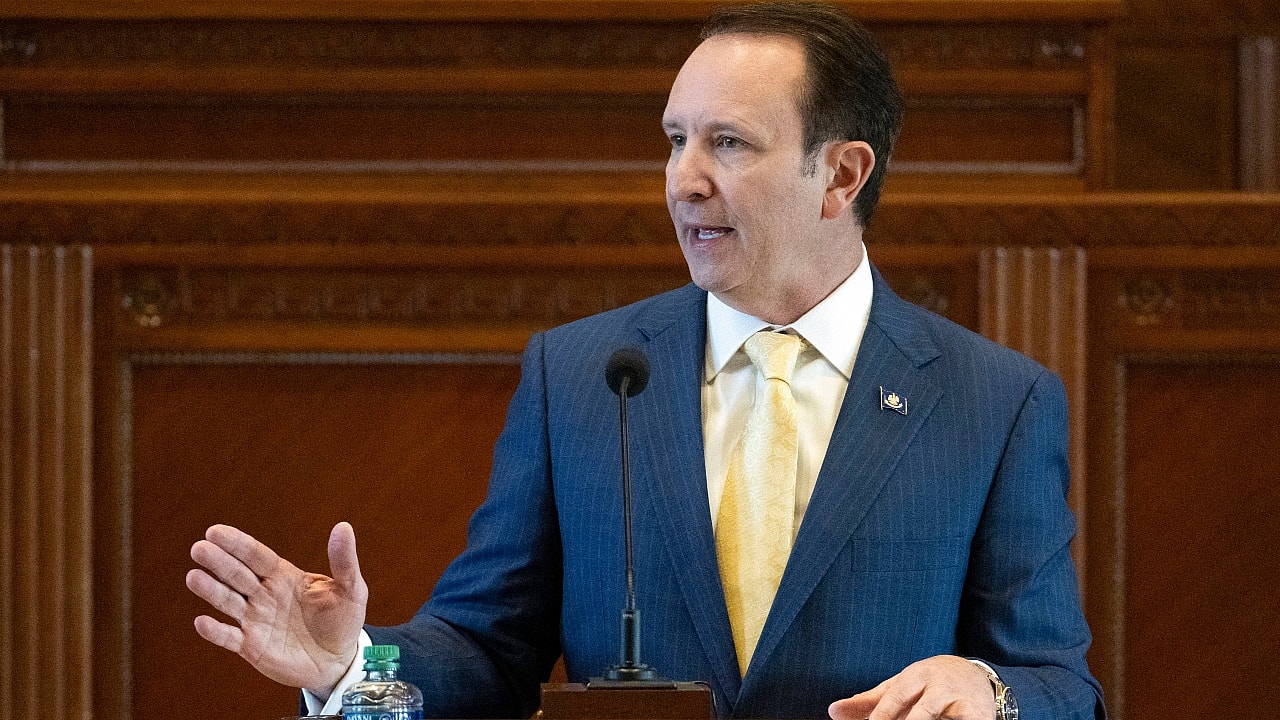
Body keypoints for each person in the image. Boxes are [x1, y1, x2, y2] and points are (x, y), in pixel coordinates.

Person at [186, 3, 1106, 719]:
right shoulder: (581, 374)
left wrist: (991, 691)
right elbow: (482, 647)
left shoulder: (995, 401)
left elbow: (1060, 686)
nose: (682, 180)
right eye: (676, 140)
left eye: (728, 143)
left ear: (841, 174)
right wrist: (353, 665)